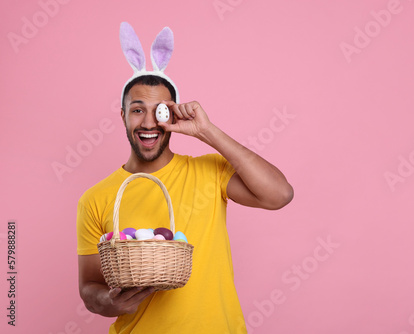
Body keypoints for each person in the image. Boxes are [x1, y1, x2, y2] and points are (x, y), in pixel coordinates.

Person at [76, 23, 293, 334]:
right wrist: (111, 302)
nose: (149, 122)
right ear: (122, 115)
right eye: (137, 110)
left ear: (174, 114)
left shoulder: (210, 171)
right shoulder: (96, 199)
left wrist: (207, 132)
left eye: (160, 110)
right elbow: (89, 288)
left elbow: (280, 195)